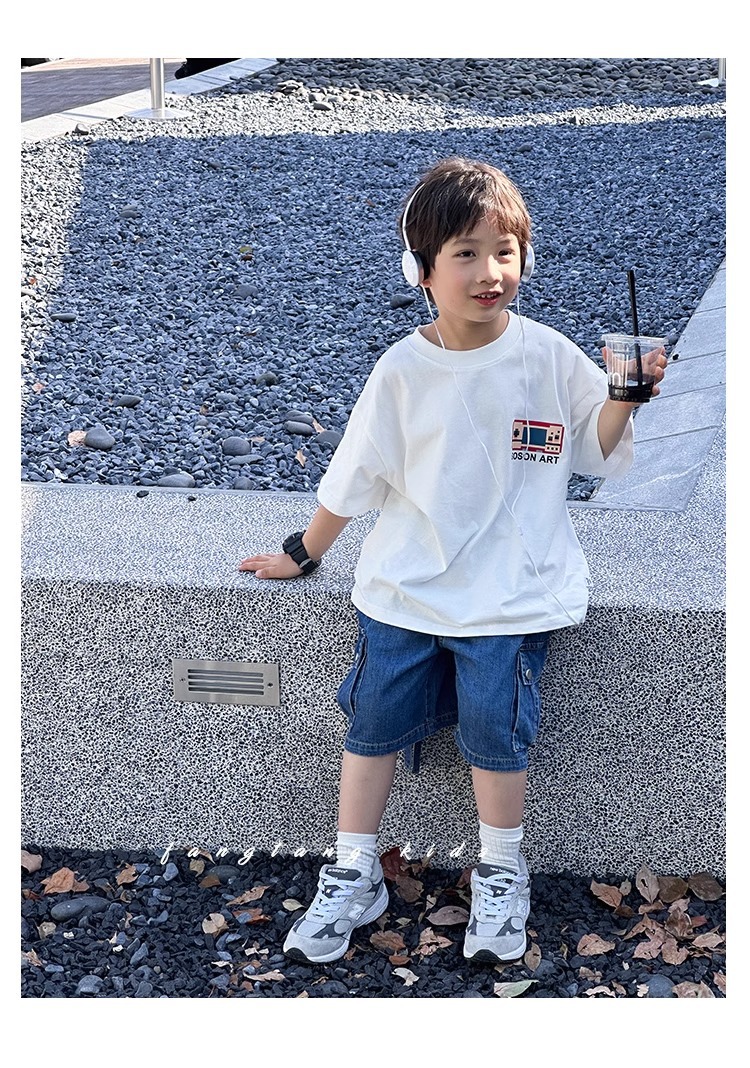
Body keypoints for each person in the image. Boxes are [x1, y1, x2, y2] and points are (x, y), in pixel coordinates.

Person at [238, 156, 667, 966]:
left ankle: (502, 869)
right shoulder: (402, 370)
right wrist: (302, 552)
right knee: (370, 724)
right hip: (406, 588)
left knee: (494, 730)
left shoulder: (549, 356)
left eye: (505, 251)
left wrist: (623, 399)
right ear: (422, 270)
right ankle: (353, 869)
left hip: (510, 593)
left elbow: (595, 455)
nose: (489, 272)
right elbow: (354, 479)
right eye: (465, 253)